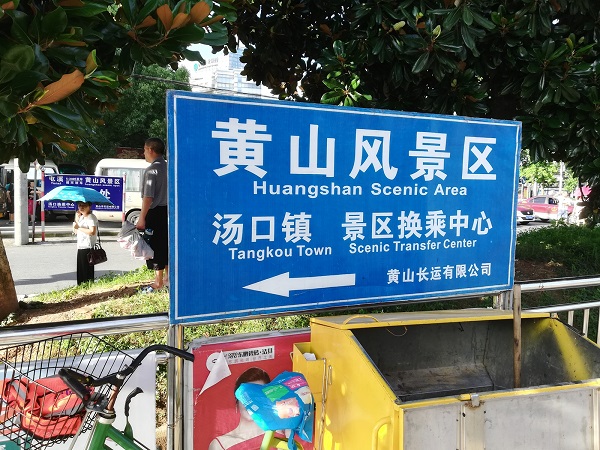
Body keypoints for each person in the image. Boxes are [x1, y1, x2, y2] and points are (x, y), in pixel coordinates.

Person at [208, 367, 271, 450]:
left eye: (257, 395)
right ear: (237, 399)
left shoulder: (278, 435)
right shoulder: (221, 444)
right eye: (246, 396)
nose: (252, 403)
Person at [137, 137, 168, 292]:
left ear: (150, 149)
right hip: (169, 212)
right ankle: (169, 279)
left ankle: (158, 282)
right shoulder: (169, 167)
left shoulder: (151, 170)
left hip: (155, 213)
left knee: (155, 247)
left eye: (144, 149)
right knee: (167, 245)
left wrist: (142, 217)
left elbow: (148, 197)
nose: (144, 153)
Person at [72, 201, 98, 285]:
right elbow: (75, 231)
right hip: (80, 246)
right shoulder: (82, 217)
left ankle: (88, 287)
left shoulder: (91, 217)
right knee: (81, 270)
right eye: (80, 205)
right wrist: (76, 219)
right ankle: (81, 287)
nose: (81, 207)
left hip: (87, 247)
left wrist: (79, 227)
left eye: (84, 205)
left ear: (89, 206)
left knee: (86, 271)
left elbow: (92, 231)